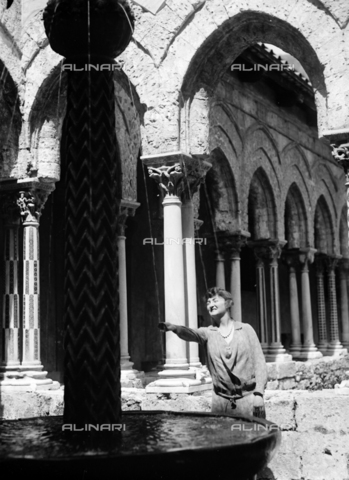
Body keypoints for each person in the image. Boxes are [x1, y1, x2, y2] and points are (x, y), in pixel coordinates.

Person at [158, 287, 267, 418]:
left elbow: (259, 362)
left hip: (248, 400)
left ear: (227, 303)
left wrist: (259, 394)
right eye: (208, 302)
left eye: (214, 300)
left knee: (252, 437)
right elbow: (191, 333)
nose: (210, 304)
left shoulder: (246, 329)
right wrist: (174, 328)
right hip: (220, 403)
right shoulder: (208, 333)